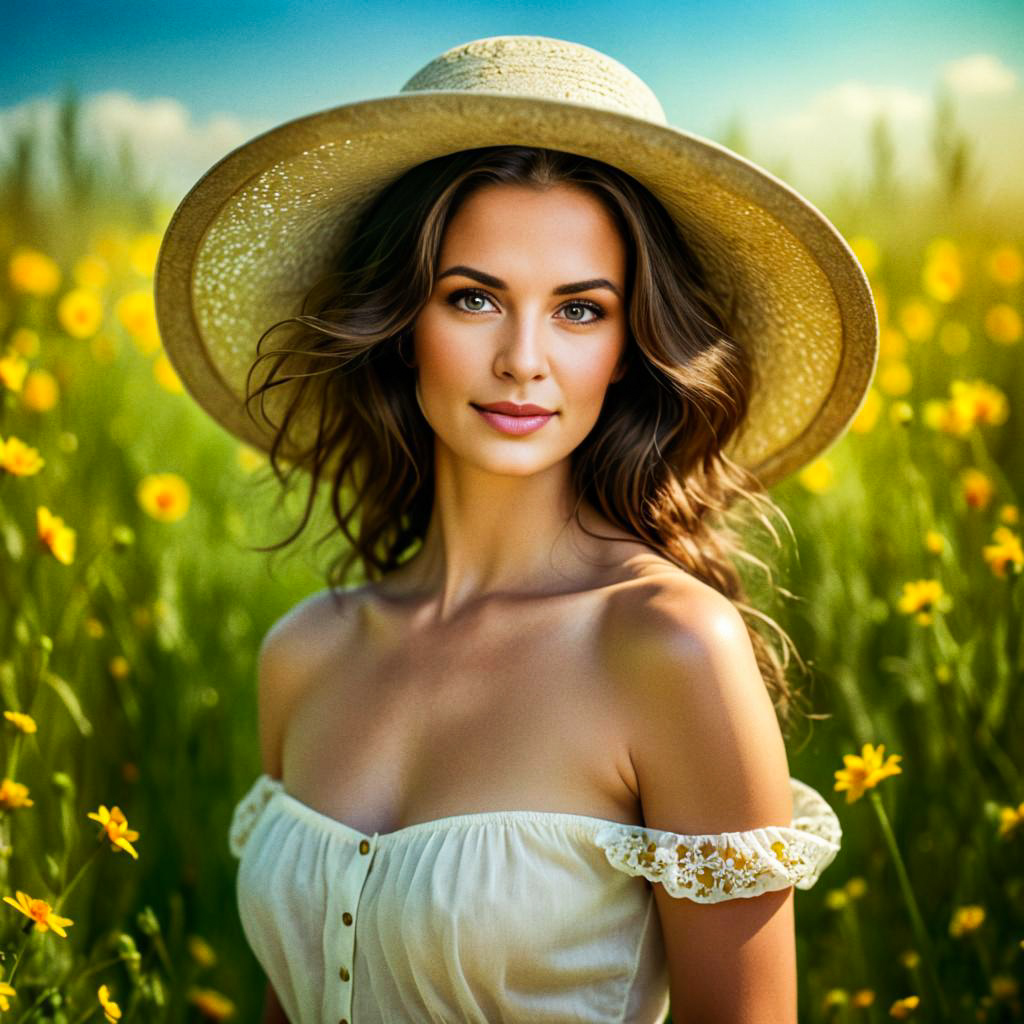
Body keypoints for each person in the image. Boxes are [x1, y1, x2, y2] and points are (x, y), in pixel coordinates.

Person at [155, 34, 873, 1024]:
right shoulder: (307, 652)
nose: (522, 359)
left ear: (628, 349)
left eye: (579, 310)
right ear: (402, 320)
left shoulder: (669, 646)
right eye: (474, 297)